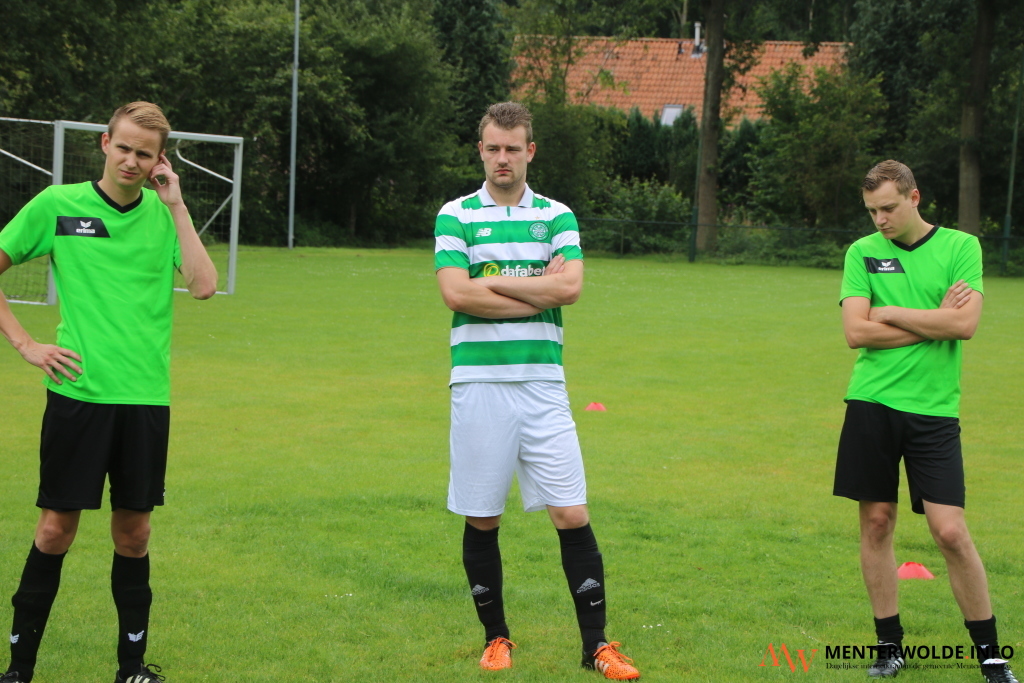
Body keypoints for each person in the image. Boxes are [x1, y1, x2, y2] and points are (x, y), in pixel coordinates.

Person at [0, 102, 217, 683]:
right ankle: (18, 670)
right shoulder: (58, 205)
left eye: (144, 154)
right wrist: (26, 344)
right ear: (104, 143)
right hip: (78, 396)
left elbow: (204, 285)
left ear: (158, 161)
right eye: (123, 147)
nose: (131, 161)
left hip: (144, 399)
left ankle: (131, 669)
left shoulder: (164, 216)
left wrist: (176, 206)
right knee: (55, 530)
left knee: (134, 534)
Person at [433, 101, 640, 680]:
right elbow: (456, 295)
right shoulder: (455, 214)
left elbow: (569, 289)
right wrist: (532, 288)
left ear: (530, 150)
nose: (503, 157)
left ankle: (596, 646)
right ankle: (496, 638)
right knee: (482, 517)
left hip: (544, 384)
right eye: (493, 148)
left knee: (571, 511)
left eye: (513, 147)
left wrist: (491, 280)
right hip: (478, 383)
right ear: (481, 151)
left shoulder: (557, 216)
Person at [834, 160, 1016, 682]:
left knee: (950, 531)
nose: (880, 220)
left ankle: (991, 657)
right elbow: (856, 333)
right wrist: (935, 320)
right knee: (876, 522)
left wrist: (890, 312)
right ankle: (889, 648)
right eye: (872, 211)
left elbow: (965, 324)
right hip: (871, 401)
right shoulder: (862, 253)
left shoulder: (961, 247)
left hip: (934, 410)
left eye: (889, 208)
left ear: (915, 198)